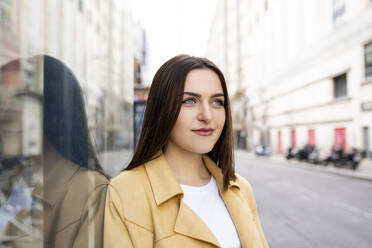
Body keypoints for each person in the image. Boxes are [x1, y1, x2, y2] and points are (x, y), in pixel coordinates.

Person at [104, 54, 268, 248]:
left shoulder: (239, 188)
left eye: (217, 102)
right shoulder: (127, 191)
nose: (207, 116)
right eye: (190, 101)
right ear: (162, 109)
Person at [0, 56, 108, 248]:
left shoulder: (89, 193)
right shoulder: (14, 181)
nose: (4, 114)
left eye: (20, 99)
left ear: (53, 109)